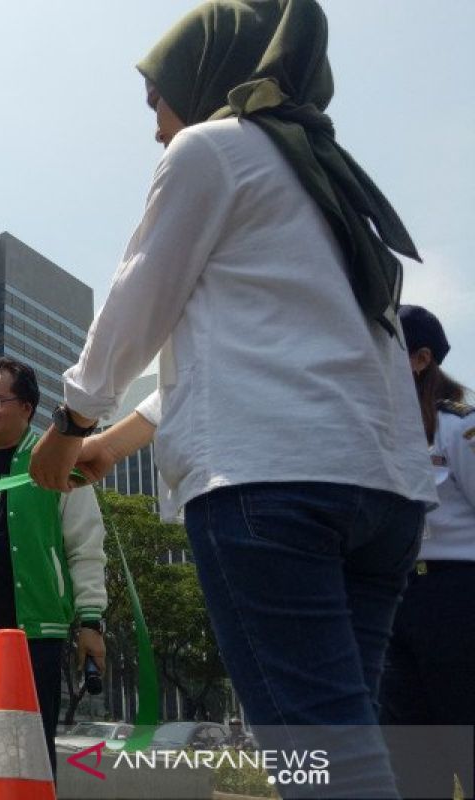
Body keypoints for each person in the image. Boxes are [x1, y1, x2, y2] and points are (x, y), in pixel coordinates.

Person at [29, 1, 435, 795]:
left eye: (157, 102)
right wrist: (116, 442)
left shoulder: (211, 151)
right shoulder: (330, 180)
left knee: (321, 762)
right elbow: (277, 356)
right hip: (382, 496)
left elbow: (137, 298)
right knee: (348, 742)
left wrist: (72, 422)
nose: (155, 130)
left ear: (207, 76)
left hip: (271, 493)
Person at [0, 357, 107, 791]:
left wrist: (90, 620)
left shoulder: (55, 459)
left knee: (27, 751)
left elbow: (85, 544)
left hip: (31, 632)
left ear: (28, 407)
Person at [380, 305, 474, 800]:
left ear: (420, 359)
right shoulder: (374, 428)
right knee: (410, 756)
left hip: (458, 597)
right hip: (397, 596)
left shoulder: (460, 426)